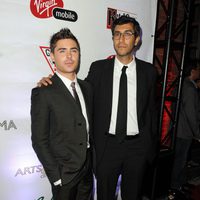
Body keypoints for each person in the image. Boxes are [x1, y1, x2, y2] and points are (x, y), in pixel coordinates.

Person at [37, 16, 158, 200]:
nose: (121, 39)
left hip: (138, 148)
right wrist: (50, 82)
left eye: (127, 34)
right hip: (106, 147)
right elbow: (75, 90)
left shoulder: (148, 72)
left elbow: (151, 111)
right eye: (117, 34)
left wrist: (149, 147)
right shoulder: (99, 69)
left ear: (137, 39)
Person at [31, 28, 93, 200]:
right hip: (64, 174)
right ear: (52, 55)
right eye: (62, 51)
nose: (69, 56)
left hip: (87, 169)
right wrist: (56, 177)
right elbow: (39, 140)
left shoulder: (88, 88)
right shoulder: (43, 92)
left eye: (74, 50)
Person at [168, 61, 200, 200]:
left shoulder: (183, 85)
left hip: (179, 129)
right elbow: (191, 113)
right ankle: (175, 187)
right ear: (192, 71)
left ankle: (179, 184)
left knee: (181, 159)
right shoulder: (189, 88)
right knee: (180, 160)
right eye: (198, 69)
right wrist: (197, 133)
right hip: (184, 130)